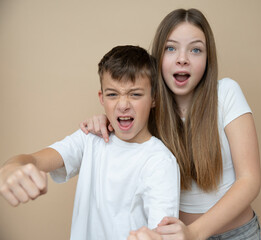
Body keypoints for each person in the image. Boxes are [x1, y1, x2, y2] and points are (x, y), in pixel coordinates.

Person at [81, 8, 261, 240]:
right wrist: (104, 121)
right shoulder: (147, 109)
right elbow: (124, 120)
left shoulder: (226, 93)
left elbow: (250, 180)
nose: (182, 58)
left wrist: (195, 232)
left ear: (208, 58)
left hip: (236, 235)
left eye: (195, 49)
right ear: (159, 56)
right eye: (171, 48)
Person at [0, 45, 180, 240]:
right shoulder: (90, 138)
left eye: (135, 94)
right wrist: (12, 166)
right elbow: (35, 160)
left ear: (154, 98)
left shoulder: (161, 162)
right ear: (102, 98)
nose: (123, 105)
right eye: (113, 94)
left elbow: (162, 233)